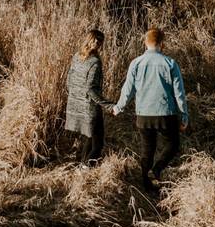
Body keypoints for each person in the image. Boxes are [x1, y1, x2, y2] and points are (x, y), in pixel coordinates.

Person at [113, 27, 189, 192]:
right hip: (165, 114)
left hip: (143, 115)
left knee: (147, 150)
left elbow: (128, 89)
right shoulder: (170, 63)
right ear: (162, 44)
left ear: (145, 43)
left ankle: (146, 186)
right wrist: (184, 116)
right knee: (173, 144)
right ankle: (157, 169)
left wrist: (119, 107)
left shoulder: (136, 63)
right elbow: (179, 93)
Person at [64, 29, 115, 168]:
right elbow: (91, 89)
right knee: (97, 141)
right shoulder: (94, 62)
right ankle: (86, 167)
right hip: (89, 106)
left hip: (76, 103)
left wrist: (75, 98)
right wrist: (109, 105)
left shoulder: (76, 56)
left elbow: (68, 81)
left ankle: (82, 165)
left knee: (87, 136)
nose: (98, 44)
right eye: (98, 41)